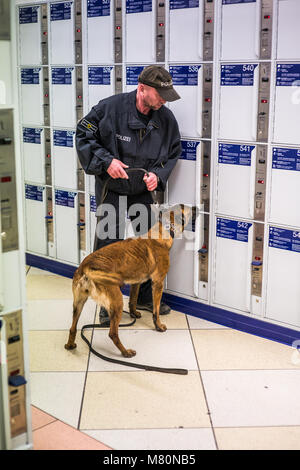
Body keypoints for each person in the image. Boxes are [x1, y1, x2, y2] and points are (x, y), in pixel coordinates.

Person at [75, 65, 181, 326]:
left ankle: (144, 297)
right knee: (109, 246)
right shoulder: (110, 108)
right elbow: (83, 134)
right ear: (142, 88)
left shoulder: (165, 119)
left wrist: (158, 174)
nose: (164, 101)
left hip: (140, 189)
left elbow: (172, 152)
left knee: (151, 245)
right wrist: (106, 160)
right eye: (160, 94)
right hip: (112, 185)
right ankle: (105, 302)